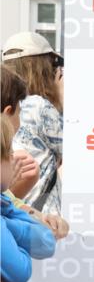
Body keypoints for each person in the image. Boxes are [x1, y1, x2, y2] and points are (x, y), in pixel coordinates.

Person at [2, 67, 67, 238]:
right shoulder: (39, 105)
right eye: (20, 112)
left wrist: (43, 218)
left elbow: (10, 202)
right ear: (8, 112)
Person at [2, 32, 63, 214]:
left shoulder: (14, 104)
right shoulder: (39, 106)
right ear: (42, 67)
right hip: (41, 217)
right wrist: (62, 99)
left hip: (13, 209)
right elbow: (77, 151)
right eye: (54, 64)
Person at [1, 114, 55, 282]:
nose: (13, 160)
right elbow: (20, 271)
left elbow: (46, 242)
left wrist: (8, 225)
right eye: (9, 152)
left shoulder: (4, 202)